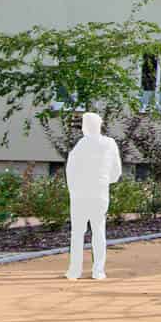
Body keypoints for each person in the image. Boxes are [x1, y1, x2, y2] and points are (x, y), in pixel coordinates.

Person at [65, 112, 122, 280]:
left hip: (80, 195)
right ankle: (98, 271)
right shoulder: (109, 144)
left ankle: (75, 270)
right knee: (98, 231)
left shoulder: (80, 145)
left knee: (77, 233)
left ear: (85, 127)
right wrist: (104, 182)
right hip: (100, 193)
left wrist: (73, 190)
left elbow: (71, 170)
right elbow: (116, 171)